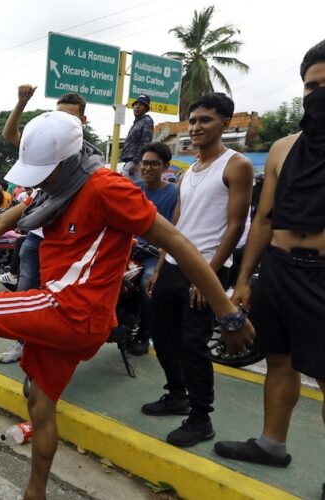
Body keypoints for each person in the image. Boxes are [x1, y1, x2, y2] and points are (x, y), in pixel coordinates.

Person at [0, 111, 254, 500]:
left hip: (71, 309)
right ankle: (36, 492)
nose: (36, 177)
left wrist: (228, 312)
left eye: (43, 169)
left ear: (68, 160)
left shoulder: (107, 188)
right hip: (62, 309)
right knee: (39, 401)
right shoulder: (55, 186)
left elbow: (178, 242)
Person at [214, 41, 325, 479]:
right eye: (312, 86)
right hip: (279, 267)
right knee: (278, 358)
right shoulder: (281, 148)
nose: (319, 94)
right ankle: (271, 444)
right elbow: (262, 219)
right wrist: (244, 278)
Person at [143, 93, 253, 447]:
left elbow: (235, 226)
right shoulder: (189, 170)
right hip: (173, 267)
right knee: (162, 336)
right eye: (192, 121)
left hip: (206, 270)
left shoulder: (237, 165)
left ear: (225, 122)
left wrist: (208, 276)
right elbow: (176, 225)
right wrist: (160, 266)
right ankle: (177, 394)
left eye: (204, 120)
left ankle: (200, 417)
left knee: (194, 346)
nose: (195, 128)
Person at [0, 88, 91, 363]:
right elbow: (10, 136)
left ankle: (54, 349)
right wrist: (21, 103)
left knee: (60, 298)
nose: (62, 125)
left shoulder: (92, 167)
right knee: (26, 290)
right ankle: (22, 342)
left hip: (68, 243)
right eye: (58, 116)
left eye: (70, 119)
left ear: (82, 121)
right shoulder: (43, 149)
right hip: (37, 237)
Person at [125, 143, 178, 356]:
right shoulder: (133, 189)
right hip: (128, 249)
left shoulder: (175, 194)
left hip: (154, 255)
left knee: (148, 282)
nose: (147, 168)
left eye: (154, 164)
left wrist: (159, 265)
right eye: (144, 163)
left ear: (166, 166)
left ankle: (144, 335)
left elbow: (173, 234)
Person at [120, 94, 155, 182]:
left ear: (146, 109)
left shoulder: (147, 121)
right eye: (136, 104)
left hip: (135, 164)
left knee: (127, 191)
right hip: (130, 163)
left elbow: (146, 144)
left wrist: (136, 163)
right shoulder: (137, 123)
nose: (137, 107)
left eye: (141, 105)